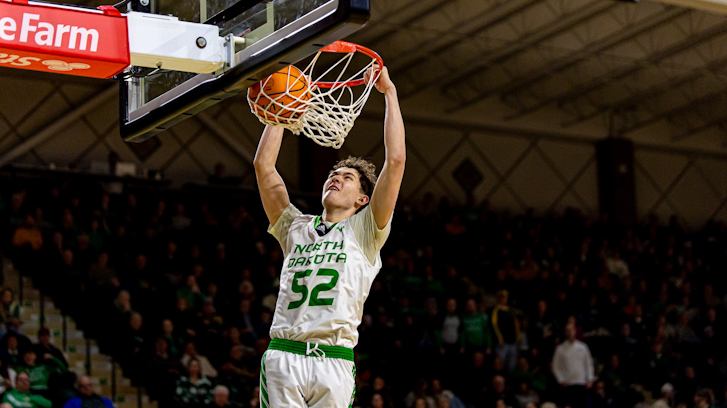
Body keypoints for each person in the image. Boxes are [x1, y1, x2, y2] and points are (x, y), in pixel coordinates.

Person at [253, 63, 405, 407]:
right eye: (333, 174)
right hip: (285, 355)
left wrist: (390, 93)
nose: (335, 178)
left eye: (347, 177)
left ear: (362, 199)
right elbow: (264, 168)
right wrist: (279, 112)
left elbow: (395, 161)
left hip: (334, 359)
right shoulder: (294, 226)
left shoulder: (366, 229)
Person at [552, 323, 595, 408]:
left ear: (575, 331)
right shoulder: (560, 349)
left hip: (581, 383)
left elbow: (588, 364)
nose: (570, 332)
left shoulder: (583, 347)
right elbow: (555, 366)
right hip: (568, 384)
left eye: (571, 330)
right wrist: (561, 379)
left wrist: (590, 378)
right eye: (567, 330)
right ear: (565, 333)